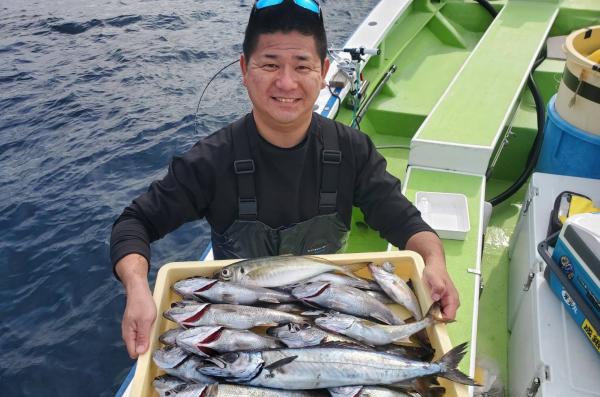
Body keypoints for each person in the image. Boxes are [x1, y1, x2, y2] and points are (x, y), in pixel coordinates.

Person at [110, 0, 460, 360]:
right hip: (235, 334)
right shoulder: (210, 161)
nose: (286, 82)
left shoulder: (352, 150)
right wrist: (137, 288)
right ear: (245, 69)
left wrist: (434, 261)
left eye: (302, 65)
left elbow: (404, 220)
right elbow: (134, 223)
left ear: (323, 72)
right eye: (270, 64)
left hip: (329, 325)